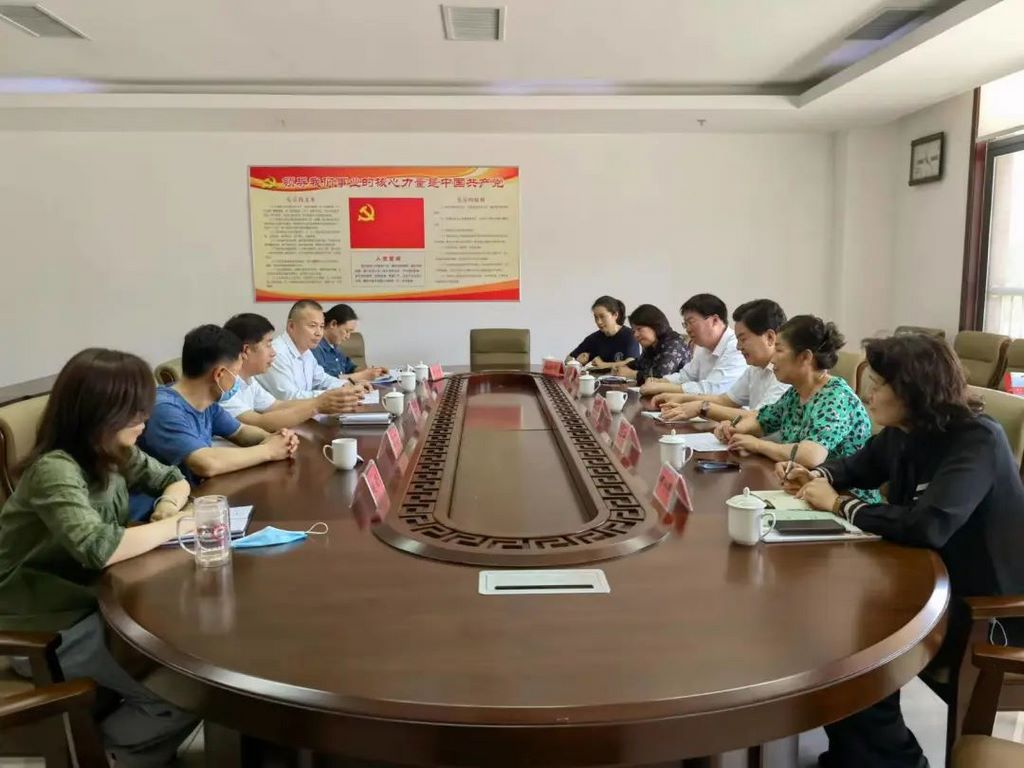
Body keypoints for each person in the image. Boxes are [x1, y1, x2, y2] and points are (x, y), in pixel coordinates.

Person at [779, 334, 1024, 768]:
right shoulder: (905, 431)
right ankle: (856, 756)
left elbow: (928, 525)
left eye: (878, 385)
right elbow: (855, 467)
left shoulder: (976, 440)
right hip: (924, 578)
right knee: (821, 626)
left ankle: (896, 760)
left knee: (852, 656)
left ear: (914, 390)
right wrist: (816, 474)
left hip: (987, 611)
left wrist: (840, 504)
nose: (868, 394)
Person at [0, 348, 199, 766]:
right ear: (98, 414)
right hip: (43, 626)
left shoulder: (113, 453)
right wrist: (177, 526)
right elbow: (96, 547)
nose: (144, 420)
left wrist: (167, 507)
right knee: (185, 691)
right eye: (134, 412)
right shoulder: (56, 470)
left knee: (187, 645)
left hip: (94, 604)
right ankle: (103, 756)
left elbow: (173, 478)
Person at [714, 316, 876, 500]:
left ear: (805, 357)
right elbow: (762, 420)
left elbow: (810, 456)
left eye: (779, 350)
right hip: (803, 489)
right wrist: (733, 429)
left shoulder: (836, 398)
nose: (772, 359)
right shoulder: (796, 393)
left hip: (844, 500)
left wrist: (757, 445)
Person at [139, 324, 298, 482]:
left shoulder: (207, 403)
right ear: (219, 374)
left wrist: (278, 439)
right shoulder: (163, 408)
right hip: (167, 497)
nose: (237, 381)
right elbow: (205, 463)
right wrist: (269, 450)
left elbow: (241, 432)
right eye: (236, 373)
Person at [653, 299, 790, 422]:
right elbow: (726, 400)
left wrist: (702, 407)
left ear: (770, 337)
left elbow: (759, 418)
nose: (738, 347)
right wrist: (683, 399)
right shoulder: (755, 368)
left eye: (743, 339)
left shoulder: (786, 373)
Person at [222, 313, 364, 430]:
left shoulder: (249, 380)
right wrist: (317, 405)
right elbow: (260, 422)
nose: (273, 352)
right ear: (246, 350)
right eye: (268, 345)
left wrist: (325, 401)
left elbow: (276, 405)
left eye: (321, 326)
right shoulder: (223, 386)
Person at [639, 293, 747, 397]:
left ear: (714, 320)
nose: (688, 329)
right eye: (685, 324)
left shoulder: (736, 347)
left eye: (691, 322)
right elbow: (686, 376)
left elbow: (713, 390)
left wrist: (662, 387)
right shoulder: (706, 348)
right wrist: (661, 381)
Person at [258, 300, 369, 400]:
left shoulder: (306, 352)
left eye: (321, 326)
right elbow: (289, 397)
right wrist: (336, 393)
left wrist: (348, 385)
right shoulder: (276, 354)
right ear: (291, 326)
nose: (319, 333)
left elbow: (322, 379)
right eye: (312, 326)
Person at [311, 303, 387, 382]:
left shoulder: (334, 346)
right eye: (347, 331)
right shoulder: (315, 348)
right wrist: (361, 376)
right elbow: (325, 381)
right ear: (333, 324)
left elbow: (350, 367)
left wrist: (371, 371)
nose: (348, 337)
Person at [619, 304, 691, 385]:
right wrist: (624, 367)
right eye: (634, 331)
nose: (635, 335)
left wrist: (632, 374)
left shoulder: (674, 344)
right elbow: (639, 364)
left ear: (655, 326)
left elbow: (660, 377)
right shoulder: (651, 345)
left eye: (639, 329)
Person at [565, 295, 641, 369]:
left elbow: (632, 362)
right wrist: (576, 361)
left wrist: (604, 365)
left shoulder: (630, 335)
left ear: (615, 315)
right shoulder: (593, 339)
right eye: (596, 317)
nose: (599, 322)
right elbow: (568, 360)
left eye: (602, 316)